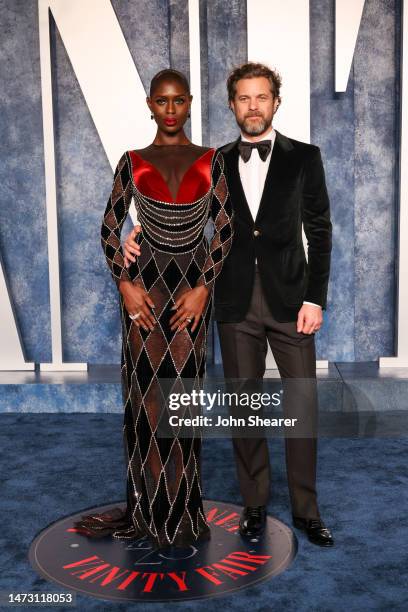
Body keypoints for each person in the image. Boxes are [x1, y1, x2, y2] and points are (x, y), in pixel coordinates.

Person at [123, 62, 334, 547]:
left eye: (261, 97)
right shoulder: (212, 161)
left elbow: (320, 234)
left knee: (301, 405)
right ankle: (254, 504)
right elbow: (180, 212)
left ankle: (306, 509)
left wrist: (314, 299)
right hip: (234, 300)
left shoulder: (305, 157)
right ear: (232, 104)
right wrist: (137, 232)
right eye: (244, 98)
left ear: (275, 103)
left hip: (290, 302)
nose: (253, 106)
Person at [74, 69, 233, 549]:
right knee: (145, 400)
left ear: (189, 103)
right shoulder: (132, 161)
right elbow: (109, 226)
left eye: (177, 101)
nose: (169, 110)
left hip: (190, 293)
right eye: (160, 101)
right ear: (149, 104)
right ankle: (145, 510)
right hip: (144, 294)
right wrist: (123, 282)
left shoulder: (211, 160)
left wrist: (204, 288)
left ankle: (183, 512)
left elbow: (224, 228)